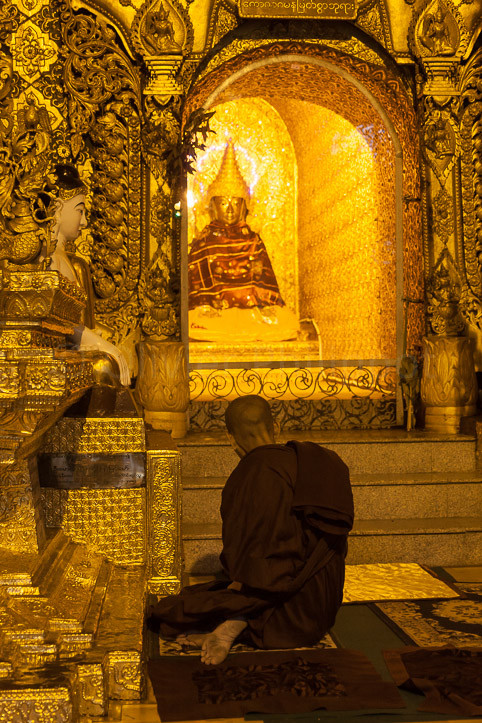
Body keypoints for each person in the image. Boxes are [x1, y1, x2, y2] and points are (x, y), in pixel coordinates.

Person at [147, 395, 354, 665]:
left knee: (175, 609)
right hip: (321, 607)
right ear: (276, 427)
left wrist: (237, 590)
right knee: (246, 584)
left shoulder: (247, 477)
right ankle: (233, 621)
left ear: (231, 438)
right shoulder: (320, 461)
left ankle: (234, 621)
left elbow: (244, 564)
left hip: (281, 622)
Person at [188, 142, 299, 342]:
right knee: (200, 322)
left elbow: (261, 277)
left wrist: (254, 297)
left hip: (251, 307)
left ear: (243, 207)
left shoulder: (252, 239)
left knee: (280, 322)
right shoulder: (204, 241)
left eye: (236, 202)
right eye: (223, 202)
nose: (229, 209)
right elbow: (198, 285)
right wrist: (211, 302)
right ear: (213, 206)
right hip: (216, 307)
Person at [42, 164, 130, 386]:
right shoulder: (50, 258)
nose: (84, 221)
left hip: (71, 345)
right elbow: (61, 325)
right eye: (80, 211)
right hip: (54, 350)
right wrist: (104, 346)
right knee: (105, 365)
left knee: (110, 360)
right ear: (59, 209)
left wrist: (100, 339)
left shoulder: (68, 261)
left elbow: (77, 322)